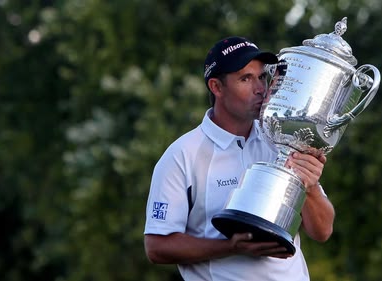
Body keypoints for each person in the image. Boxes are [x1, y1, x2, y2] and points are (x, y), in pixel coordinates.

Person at [144, 36, 335, 281]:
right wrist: (232, 247)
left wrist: (311, 188)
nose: (261, 89)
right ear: (216, 87)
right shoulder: (182, 155)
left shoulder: (282, 140)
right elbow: (157, 247)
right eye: (245, 78)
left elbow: (322, 232)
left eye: (262, 77)